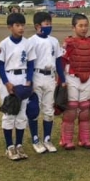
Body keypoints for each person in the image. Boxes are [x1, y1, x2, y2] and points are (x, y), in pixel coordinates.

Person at [0, 13, 35, 160]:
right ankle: (9, 146)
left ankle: (19, 144)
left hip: (23, 77)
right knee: (9, 112)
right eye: (17, 25)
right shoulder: (4, 43)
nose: (21, 28)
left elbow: (30, 64)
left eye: (22, 25)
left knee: (21, 113)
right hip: (9, 76)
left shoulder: (28, 43)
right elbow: (0, 65)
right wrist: (6, 82)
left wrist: (29, 80)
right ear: (10, 27)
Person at [60, 13, 90, 149]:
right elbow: (62, 62)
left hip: (87, 79)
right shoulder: (69, 43)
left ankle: (84, 139)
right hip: (72, 78)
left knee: (85, 110)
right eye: (80, 26)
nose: (84, 28)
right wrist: (60, 81)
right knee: (71, 109)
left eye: (86, 25)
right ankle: (66, 140)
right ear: (73, 27)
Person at [27, 12, 65, 153]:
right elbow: (29, 63)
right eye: (46, 24)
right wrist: (29, 80)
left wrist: (62, 79)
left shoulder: (54, 41)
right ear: (37, 26)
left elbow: (58, 61)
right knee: (34, 110)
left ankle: (47, 139)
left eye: (50, 24)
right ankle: (35, 139)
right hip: (36, 75)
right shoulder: (31, 41)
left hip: (50, 77)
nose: (49, 26)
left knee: (49, 110)